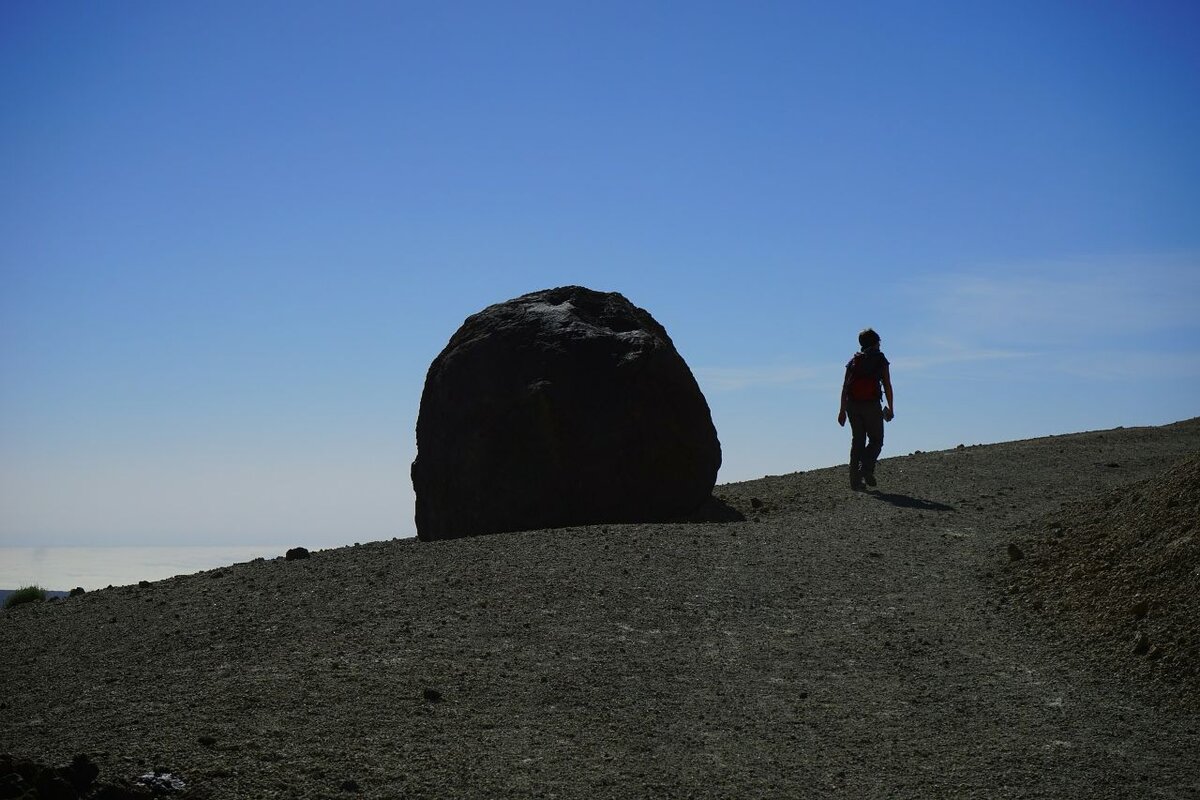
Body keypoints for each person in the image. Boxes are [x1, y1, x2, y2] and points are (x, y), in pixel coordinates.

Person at [837, 328, 894, 490]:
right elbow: (887, 385)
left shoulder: (854, 361)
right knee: (876, 440)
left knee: (858, 441)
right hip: (871, 405)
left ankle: (855, 481)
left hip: (852, 405)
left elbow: (845, 387)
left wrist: (842, 411)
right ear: (876, 343)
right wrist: (890, 407)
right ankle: (866, 468)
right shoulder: (880, 359)